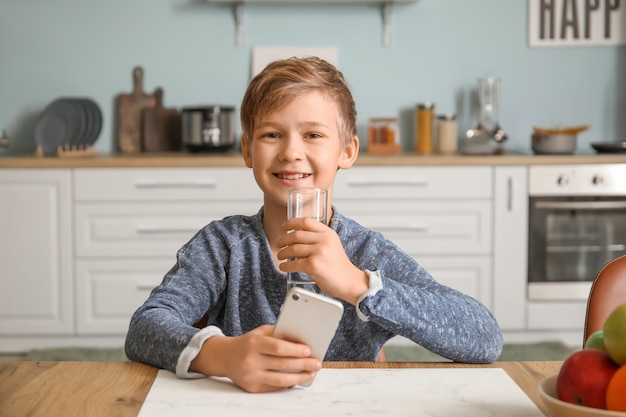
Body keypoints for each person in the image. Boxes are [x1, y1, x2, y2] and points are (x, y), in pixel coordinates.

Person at [125, 56, 503, 393]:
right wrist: (223, 355)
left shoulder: (366, 253)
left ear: (347, 151)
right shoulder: (223, 245)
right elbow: (145, 327)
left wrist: (358, 284)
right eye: (271, 134)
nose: (291, 151)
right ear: (247, 151)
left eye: (313, 135)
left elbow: (484, 337)